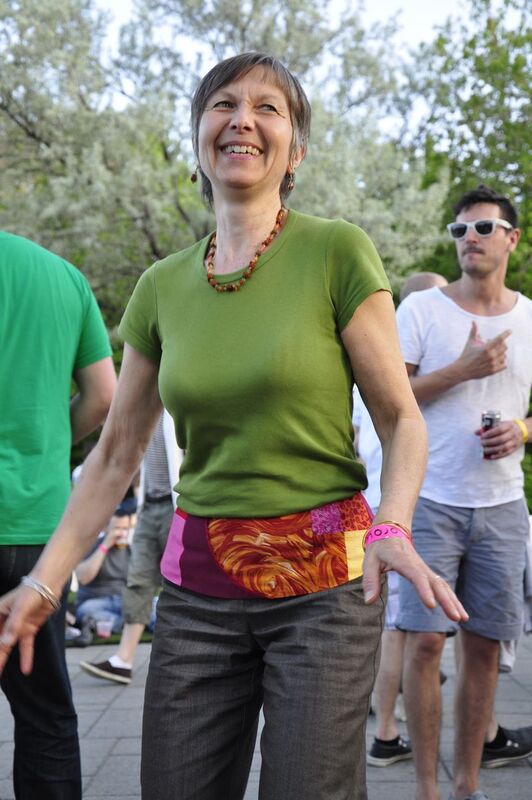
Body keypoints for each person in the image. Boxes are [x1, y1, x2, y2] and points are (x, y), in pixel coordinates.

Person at [0, 53, 467, 800]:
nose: (242, 119)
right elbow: (115, 454)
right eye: (223, 104)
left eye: (267, 108)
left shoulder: (336, 251)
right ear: (198, 138)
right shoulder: (161, 286)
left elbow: (400, 419)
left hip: (325, 587)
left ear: (296, 150)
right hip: (196, 593)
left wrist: (394, 524)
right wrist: (44, 582)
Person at [395, 184, 532, 800]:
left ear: (511, 239)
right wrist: (462, 371)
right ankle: (427, 788)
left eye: (482, 228)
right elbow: (388, 397)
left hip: (502, 506)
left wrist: (523, 430)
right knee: (425, 642)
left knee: (483, 650)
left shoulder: (528, 319)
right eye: (459, 230)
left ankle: (467, 786)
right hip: (429, 498)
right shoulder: (422, 310)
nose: (469, 239)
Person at [0, 231, 116, 799]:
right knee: (44, 711)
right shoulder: (62, 276)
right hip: (39, 535)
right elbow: (103, 395)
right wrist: (46, 450)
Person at [353, 271, 448, 768]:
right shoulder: (391, 363)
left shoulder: (368, 355)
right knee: (399, 627)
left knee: (395, 623)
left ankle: (386, 724)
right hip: (394, 506)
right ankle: (386, 729)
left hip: (379, 502)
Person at [80, 410, 180, 683]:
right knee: (138, 581)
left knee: (181, 584)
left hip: (178, 505)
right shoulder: (145, 405)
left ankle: (188, 659)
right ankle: (123, 660)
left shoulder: (176, 400)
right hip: (149, 506)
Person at [74, 508, 133, 641]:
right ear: (106, 528)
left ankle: (125, 623)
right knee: (87, 611)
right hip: (95, 602)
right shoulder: (91, 545)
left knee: (153, 605)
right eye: (117, 528)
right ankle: (131, 623)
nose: (121, 533)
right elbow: (82, 578)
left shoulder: (130, 549)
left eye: (125, 529)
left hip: (122, 600)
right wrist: (105, 545)